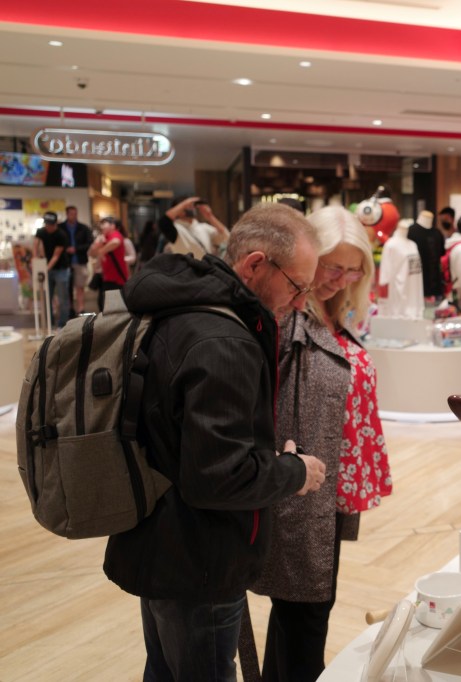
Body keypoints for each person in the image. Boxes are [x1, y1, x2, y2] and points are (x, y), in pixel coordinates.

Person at [103, 203, 329, 682]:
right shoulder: (223, 341)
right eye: (297, 286)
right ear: (255, 264)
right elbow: (217, 478)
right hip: (197, 561)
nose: (299, 303)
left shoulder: (182, 311)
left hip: (161, 540)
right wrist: (296, 472)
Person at [253, 205, 391, 681]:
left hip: (326, 484)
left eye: (353, 270)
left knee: (302, 611)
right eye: (333, 266)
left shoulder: (332, 314)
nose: (340, 279)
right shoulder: (288, 316)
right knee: (305, 611)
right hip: (299, 488)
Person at [159, 196, 230, 258]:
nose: (192, 208)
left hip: (206, 267)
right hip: (187, 268)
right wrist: (185, 203)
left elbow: (226, 237)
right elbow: (164, 222)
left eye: (192, 206)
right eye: (188, 206)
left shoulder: (203, 227)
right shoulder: (176, 229)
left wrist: (210, 216)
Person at [33, 211, 71, 328]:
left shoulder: (61, 235)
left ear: (55, 224)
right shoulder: (41, 231)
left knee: (62, 297)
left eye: (50, 224)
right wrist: (35, 260)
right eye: (47, 224)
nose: (48, 227)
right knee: (47, 296)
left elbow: (56, 256)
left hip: (61, 268)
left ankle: (63, 323)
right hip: (47, 268)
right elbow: (35, 245)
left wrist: (46, 268)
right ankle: (49, 322)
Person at [87, 217, 130, 312]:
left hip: (116, 278)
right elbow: (91, 253)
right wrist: (97, 242)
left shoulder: (115, 235)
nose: (101, 226)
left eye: (104, 224)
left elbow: (116, 242)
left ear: (112, 226)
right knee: (102, 304)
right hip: (106, 277)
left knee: (113, 307)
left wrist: (101, 251)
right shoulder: (103, 237)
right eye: (101, 224)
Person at [58, 205, 93, 316]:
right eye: (71, 214)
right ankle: (69, 308)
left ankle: (80, 308)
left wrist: (76, 249)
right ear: (67, 214)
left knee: (80, 286)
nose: (73, 216)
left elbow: (89, 243)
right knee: (66, 288)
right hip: (65, 262)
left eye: (75, 214)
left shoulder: (83, 228)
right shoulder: (61, 228)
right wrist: (66, 249)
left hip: (80, 261)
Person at [407, 209, 446, 301]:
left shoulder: (437, 233)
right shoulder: (410, 232)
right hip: (416, 284)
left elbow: (441, 254)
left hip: (436, 286)